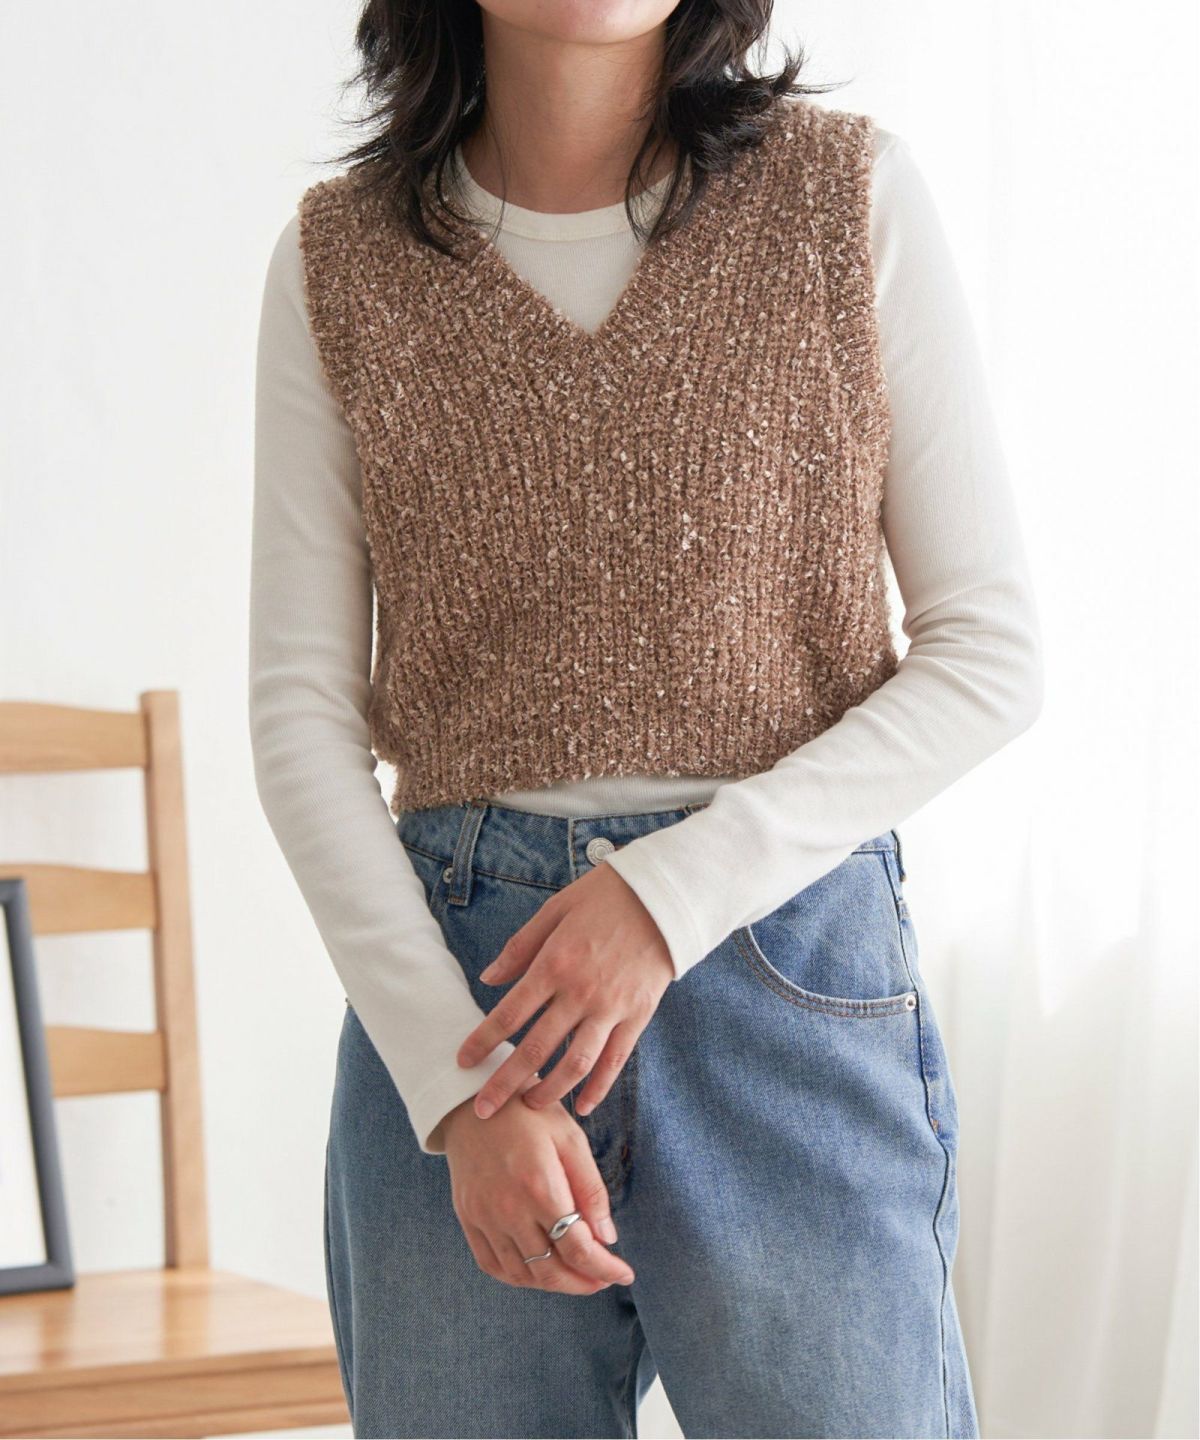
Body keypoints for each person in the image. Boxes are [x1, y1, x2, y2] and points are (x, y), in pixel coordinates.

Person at [249, 3, 1043, 1436]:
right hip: (462, 1010)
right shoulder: (340, 260)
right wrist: (457, 1087)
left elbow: (990, 654)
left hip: (783, 974)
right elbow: (302, 717)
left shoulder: (845, 199)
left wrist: (665, 899)